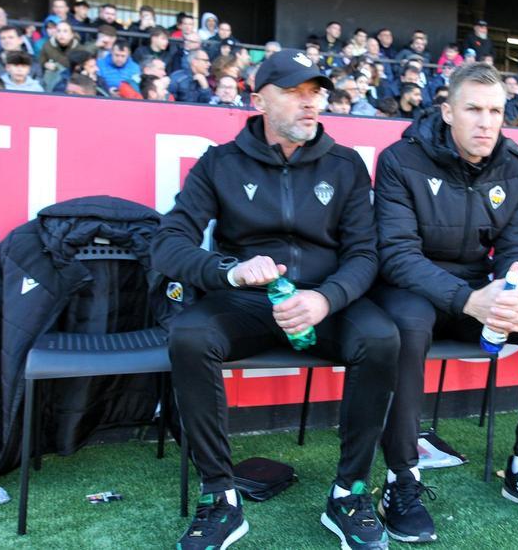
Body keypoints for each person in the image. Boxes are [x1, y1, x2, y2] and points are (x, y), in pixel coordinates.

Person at [151, 49, 399, 550]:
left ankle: (348, 493)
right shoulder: (219, 162)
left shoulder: (346, 164)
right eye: (293, 92)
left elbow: (365, 255)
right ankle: (220, 497)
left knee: (381, 337)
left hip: (324, 304)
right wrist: (229, 270)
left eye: (316, 93)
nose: (310, 104)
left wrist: (326, 299)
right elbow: (168, 243)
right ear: (259, 99)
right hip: (246, 302)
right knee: (189, 335)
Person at [371, 63, 518, 543]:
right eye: (473, 110)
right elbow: (396, 256)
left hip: (481, 291)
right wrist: (470, 301)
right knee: (408, 324)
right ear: (447, 112)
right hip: (414, 289)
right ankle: (401, 479)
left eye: (496, 111)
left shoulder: (514, 163)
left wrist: (516, 293)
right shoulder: (399, 160)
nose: (486, 123)